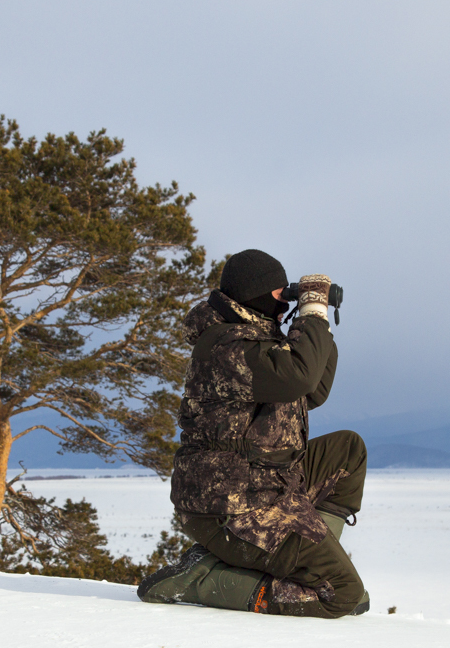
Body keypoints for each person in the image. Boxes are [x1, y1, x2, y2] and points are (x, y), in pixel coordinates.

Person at [137, 249, 368, 618]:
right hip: (229, 505)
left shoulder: (260, 341)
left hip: (266, 484)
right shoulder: (226, 346)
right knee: (341, 595)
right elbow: (299, 376)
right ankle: (202, 579)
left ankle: (306, 566)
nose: (285, 301)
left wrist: (316, 323)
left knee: (348, 450)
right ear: (254, 294)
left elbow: (314, 389)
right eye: (281, 293)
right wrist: (310, 316)